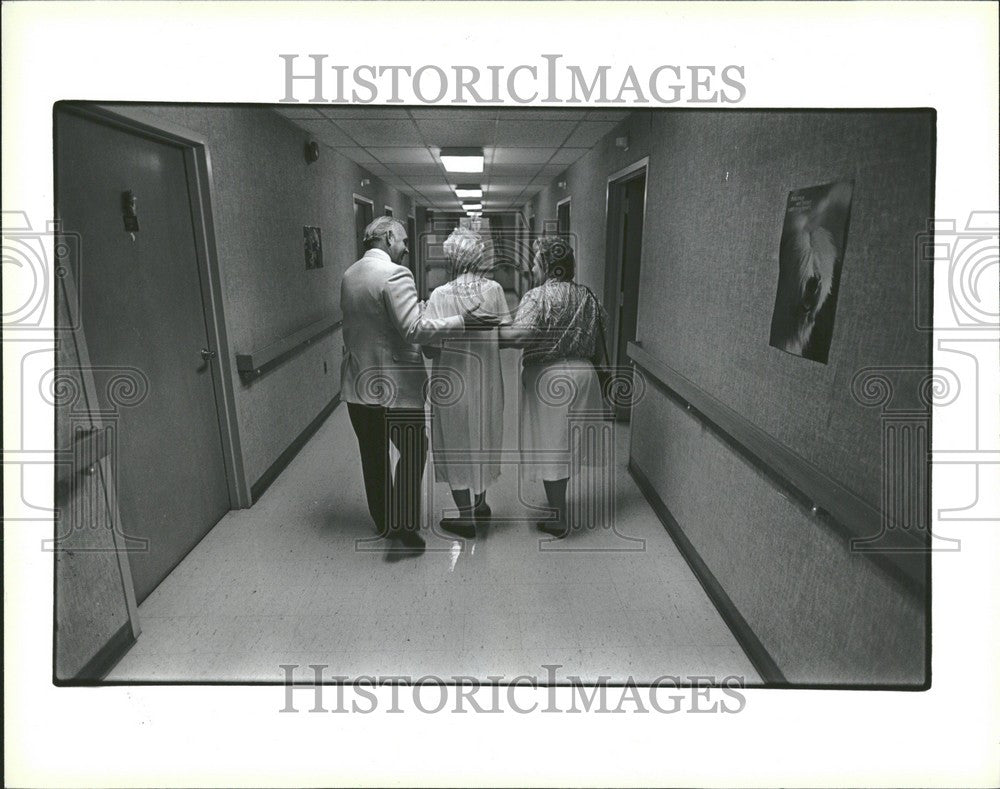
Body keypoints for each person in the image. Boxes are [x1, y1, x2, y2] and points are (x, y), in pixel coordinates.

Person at [340, 216, 498, 557]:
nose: (407, 248)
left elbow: (376, 321)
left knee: (373, 455)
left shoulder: (350, 274)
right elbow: (413, 329)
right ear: (385, 238)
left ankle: (384, 522)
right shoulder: (396, 274)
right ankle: (405, 528)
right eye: (403, 240)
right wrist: (462, 320)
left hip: (358, 385)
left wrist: (425, 313)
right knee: (413, 451)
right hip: (395, 388)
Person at [500, 236, 609, 539]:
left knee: (551, 447)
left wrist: (485, 334)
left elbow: (518, 337)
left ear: (548, 266)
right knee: (565, 444)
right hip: (584, 375)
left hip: (550, 378)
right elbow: (600, 347)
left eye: (535, 262)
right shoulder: (588, 296)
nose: (532, 268)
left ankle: (559, 518)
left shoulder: (537, 297)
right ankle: (559, 506)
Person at [422, 227, 511, 539]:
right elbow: (504, 339)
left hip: (452, 385)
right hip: (487, 382)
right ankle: (480, 504)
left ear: (453, 259)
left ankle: (465, 517)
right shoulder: (496, 291)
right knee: (484, 437)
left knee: (456, 444)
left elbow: (429, 349)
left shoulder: (439, 296)